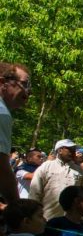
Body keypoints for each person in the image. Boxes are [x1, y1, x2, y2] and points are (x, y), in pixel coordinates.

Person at [29, 139, 83, 221]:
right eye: (69, 149)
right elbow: (35, 192)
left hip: (72, 221)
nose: (73, 152)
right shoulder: (46, 167)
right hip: (47, 218)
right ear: (60, 150)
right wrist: (34, 215)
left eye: (74, 149)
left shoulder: (80, 171)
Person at [0, 62, 31, 208]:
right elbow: (1, 168)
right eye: (24, 84)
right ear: (3, 83)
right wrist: (16, 207)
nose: (28, 91)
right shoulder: (1, 112)